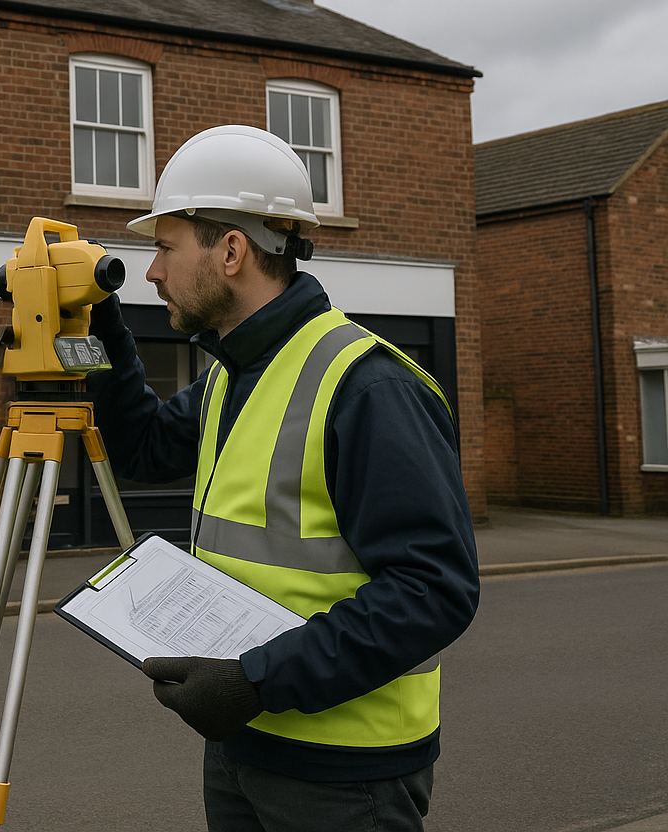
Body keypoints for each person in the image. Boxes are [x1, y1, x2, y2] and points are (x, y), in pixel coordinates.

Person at [87, 125, 480, 832]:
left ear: (231, 251)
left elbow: (433, 590)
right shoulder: (230, 377)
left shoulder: (368, 386)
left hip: (346, 772)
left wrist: (255, 680)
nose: (151, 272)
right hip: (242, 741)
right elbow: (145, 449)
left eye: (166, 248)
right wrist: (100, 332)